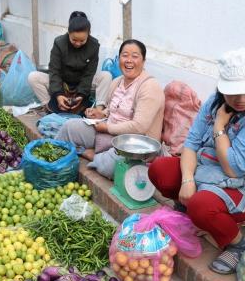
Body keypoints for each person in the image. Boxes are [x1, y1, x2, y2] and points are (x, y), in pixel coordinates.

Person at [148, 48, 245, 275]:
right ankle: (188, 207)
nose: (241, 99)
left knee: (201, 205)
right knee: (160, 169)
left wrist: (219, 127)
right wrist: (187, 180)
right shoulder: (214, 102)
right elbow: (191, 143)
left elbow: (233, 169)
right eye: (233, 93)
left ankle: (237, 244)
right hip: (208, 170)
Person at [56, 39, 165, 177]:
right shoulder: (117, 82)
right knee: (69, 126)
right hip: (108, 133)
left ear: (143, 61)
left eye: (135, 56)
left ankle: (90, 154)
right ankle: (52, 163)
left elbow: (139, 127)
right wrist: (100, 113)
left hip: (135, 145)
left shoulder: (150, 87)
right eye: (125, 55)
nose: (129, 60)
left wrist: (107, 128)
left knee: (110, 166)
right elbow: (112, 109)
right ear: (119, 59)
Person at [28, 11, 112, 115]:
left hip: (82, 83)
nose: (77, 43)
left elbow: (89, 73)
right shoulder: (59, 43)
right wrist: (58, 94)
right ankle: (49, 107)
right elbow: (54, 71)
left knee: (106, 76)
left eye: (82, 41)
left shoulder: (94, 45)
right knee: (33, 77)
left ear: (88, 34)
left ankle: (98, 111)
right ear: (68, 32)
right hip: (63, 83)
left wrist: (81, 94)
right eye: (74, 40)